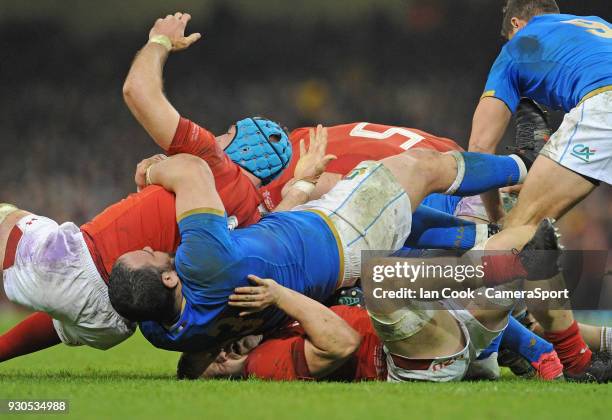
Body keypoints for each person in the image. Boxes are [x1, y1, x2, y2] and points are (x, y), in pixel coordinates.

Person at [107, 143, 548, 378]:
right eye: (146, 256)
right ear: (168, 279)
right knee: (422, 166)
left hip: (324, 268)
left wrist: (299, 187)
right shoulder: (202, 262)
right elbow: (191, 170)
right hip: (342, 234)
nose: (148, 247)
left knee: (357, 198)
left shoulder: (166, 332)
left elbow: (257, 248)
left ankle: (517, 314)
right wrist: (151, 170)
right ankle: (531, 167)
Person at [467, 0, 612, 381]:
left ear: (516, 23)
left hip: (605, 105)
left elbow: (480, 149)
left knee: (522, 231)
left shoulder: (517, 45)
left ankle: (462, 346)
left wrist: (499, 217)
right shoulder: (593, 24)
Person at [199, 276, 558, 382]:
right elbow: (343, 342)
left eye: (216, 347)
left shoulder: (271, 333)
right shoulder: (262, 364)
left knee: (520, 279)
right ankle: (527, 349)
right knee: (385, 285)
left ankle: (569, 353)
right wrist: (279, 294)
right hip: (411, 361)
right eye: (215, 363)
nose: (223, 352)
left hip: (435, 340)